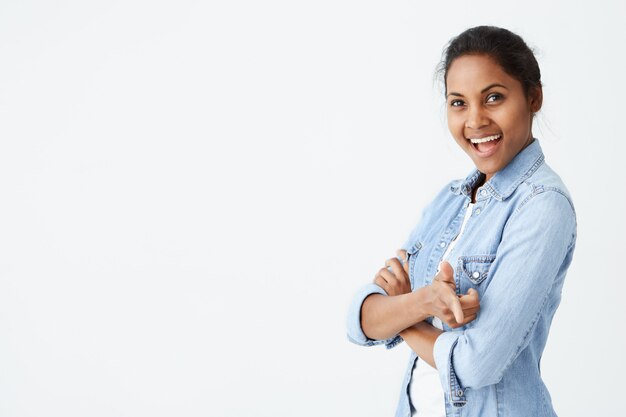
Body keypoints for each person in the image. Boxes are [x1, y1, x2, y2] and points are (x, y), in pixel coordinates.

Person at [346, 26, 577, 417]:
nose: (475, 120)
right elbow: (360, 321)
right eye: (458, 103)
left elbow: (477, 364)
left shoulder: (543, 205)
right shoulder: (451, 200)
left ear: (533, 97)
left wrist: (404, 318)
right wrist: (424, 301)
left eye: (494, 98)